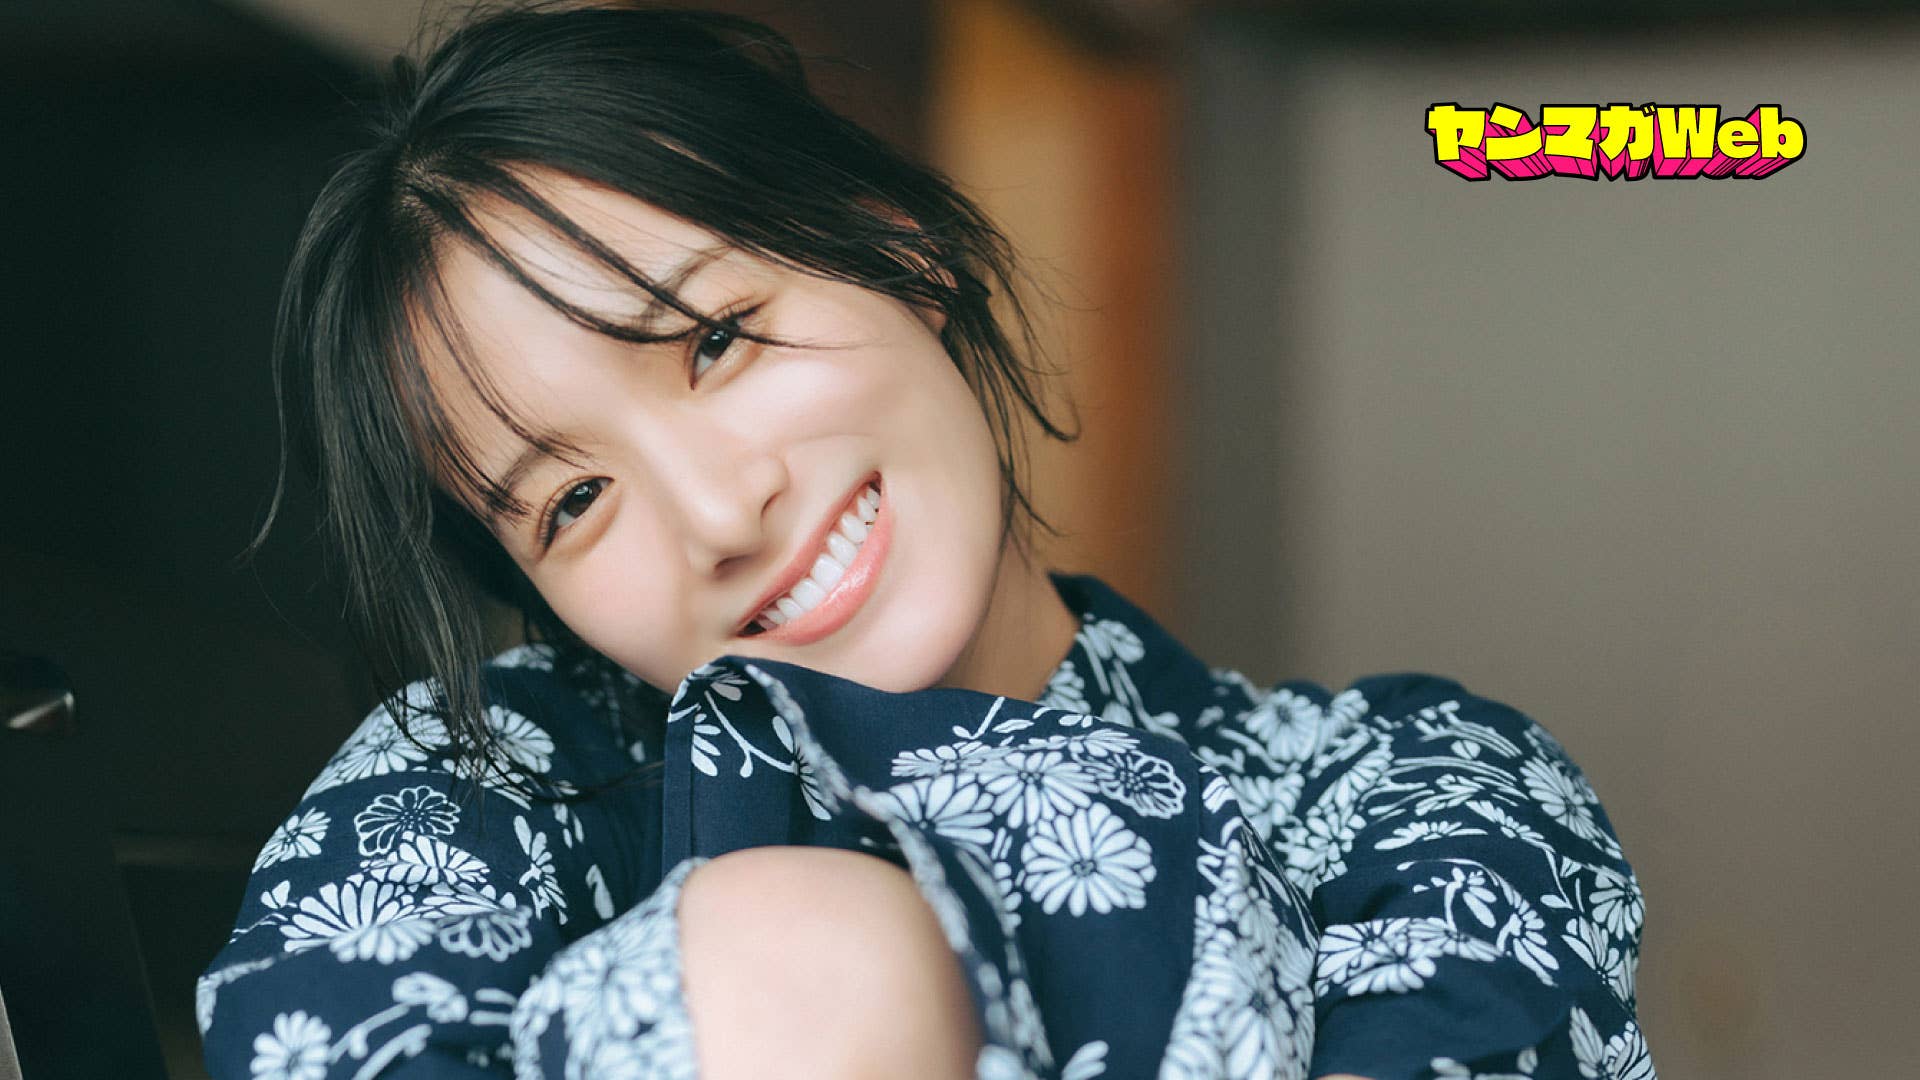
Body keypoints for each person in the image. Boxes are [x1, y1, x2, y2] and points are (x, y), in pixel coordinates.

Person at [197, 4, 1652, 1078]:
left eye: (715, 338)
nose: (720, 515)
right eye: (570, 503)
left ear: (899, 249)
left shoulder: (1407, 789)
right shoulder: (490, 786)